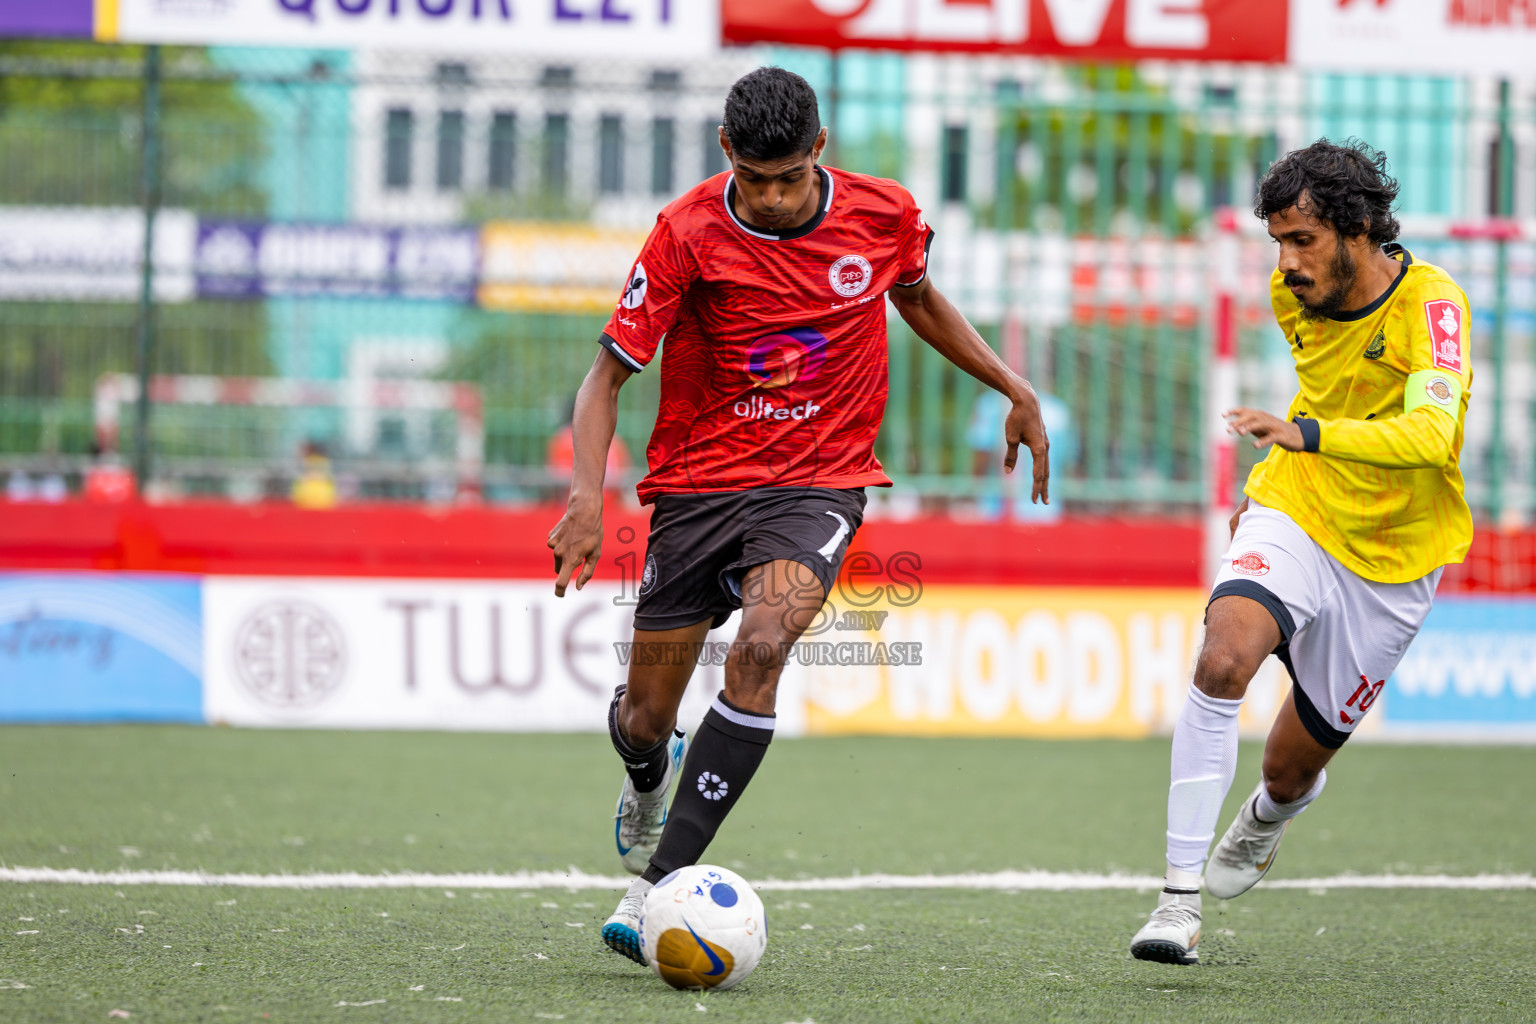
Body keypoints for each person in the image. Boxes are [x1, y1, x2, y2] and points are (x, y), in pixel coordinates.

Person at [545, 67, 1051, 965]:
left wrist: (1011, 384)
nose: (773, 199)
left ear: (819, 149)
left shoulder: (885, 215)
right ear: (726, 153)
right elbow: (607, 375)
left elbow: (920, 297)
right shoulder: (686, 232)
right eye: (755, 179)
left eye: (788, 178)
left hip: (819, 481)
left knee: (765, 645)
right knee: (646, 717)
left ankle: (655, 883)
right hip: (696, 489)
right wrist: (588, 495)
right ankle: (647, 774)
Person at [1130, 138, 1473, 965]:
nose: (1285, 263)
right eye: (1278, 242)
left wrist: (1304, 433)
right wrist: (1283, 462)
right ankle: (1176, 904)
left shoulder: (1435, 304)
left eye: (1302, 240)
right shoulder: (1297, 298)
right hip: (1299, 506)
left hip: (1392, 561)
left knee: (1288, 771)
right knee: (1221, 660)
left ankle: (1269, 819)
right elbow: (1325, 390)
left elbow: (1431, 435)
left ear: (1358, 228)